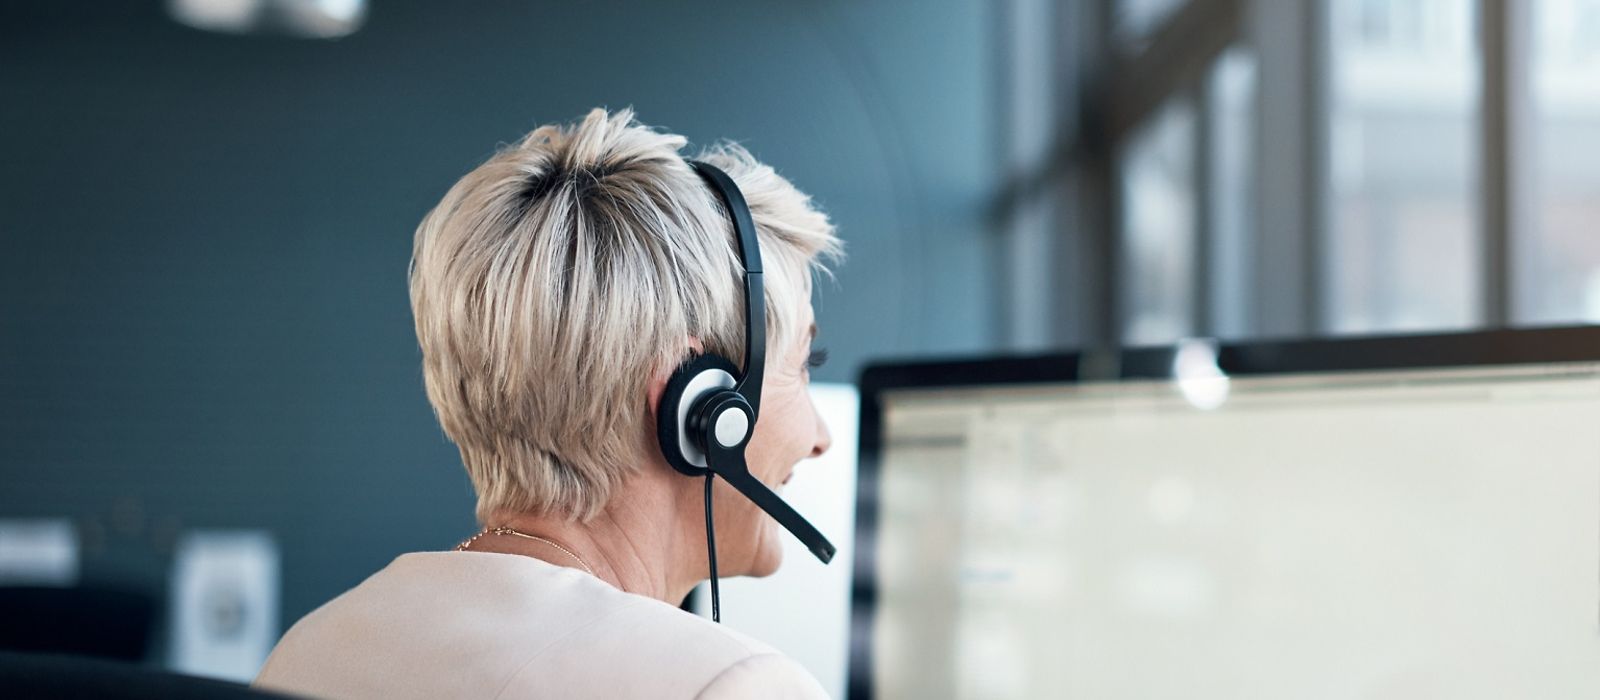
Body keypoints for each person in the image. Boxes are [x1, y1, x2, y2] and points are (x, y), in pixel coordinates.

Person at [252, 108, 843, 699]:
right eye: (803, 367)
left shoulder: (310, 650)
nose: (821, 436)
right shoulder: (731, 684)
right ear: (697, 402)